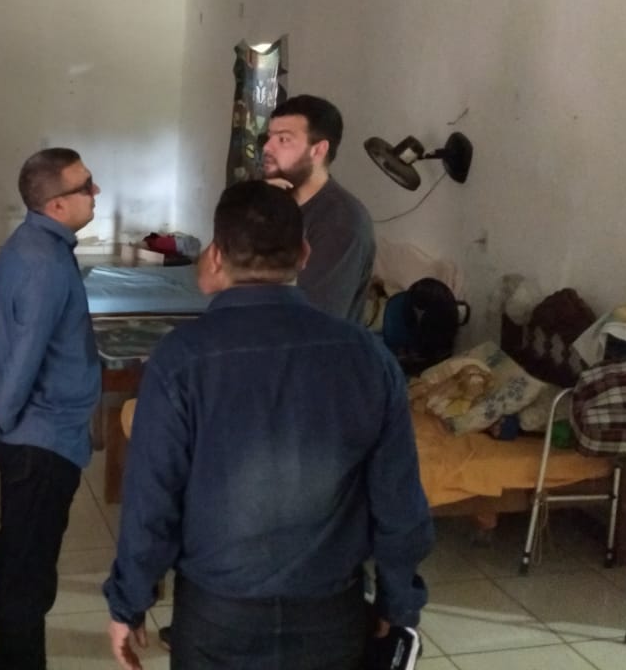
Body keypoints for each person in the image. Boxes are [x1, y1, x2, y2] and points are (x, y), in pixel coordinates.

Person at [102, 180, 432, 670]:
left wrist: (129, 601)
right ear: (304, 254)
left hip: (218, 617)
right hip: (331, 615)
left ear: (216, 256)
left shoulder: (180, 359)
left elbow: (152, 499)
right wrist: (398, 598)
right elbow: (398, 497)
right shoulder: (368, 356)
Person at [0, 147, 103, 670]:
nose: (96, 192)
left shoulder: (23, 246)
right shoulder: (46, 265)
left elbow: (1, 341)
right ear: (57, 205)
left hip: (32, 434)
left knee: (17, 558)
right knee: (27, 574)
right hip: (45, 442)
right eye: (86, 186)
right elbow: (24, 356)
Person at [262, 94, 374, 322]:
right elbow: (210, 277)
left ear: (318, 150)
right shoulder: (269, 201)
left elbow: (310, 322)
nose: (267, 148)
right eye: (269, 137)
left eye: (283, 139)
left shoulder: (342, 223)